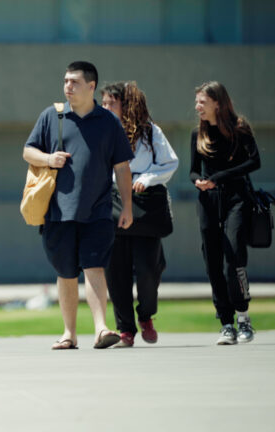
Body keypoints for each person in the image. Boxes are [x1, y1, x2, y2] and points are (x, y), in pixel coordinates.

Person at [23, 61, 134, 350]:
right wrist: (49, 159)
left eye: (74, 81)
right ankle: (69, 334)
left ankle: (101, 329)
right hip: (57, 211)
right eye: (65, 81)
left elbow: (122, 168)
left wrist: (128, 207)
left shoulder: (109, 121)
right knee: (66, 271)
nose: (68, 86)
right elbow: (28, 151)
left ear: (91, 86)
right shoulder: (52, 116)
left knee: (94, 266)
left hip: (98, 209)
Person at [101, 82, 179, 347]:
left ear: (126, 104)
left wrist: (148, 178)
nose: (105, 107)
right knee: (116, 271)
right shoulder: (101, 131)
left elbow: (170, 162)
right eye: (104, 103)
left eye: (111, 103)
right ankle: (126, 330)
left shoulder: (150, 131)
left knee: (148, 269)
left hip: (144, 206)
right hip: (110, 204)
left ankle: (145, 315)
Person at [190, 81, 260, 345]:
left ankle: (243, 318)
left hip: (236, 199)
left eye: (202, 102)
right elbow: (193, 170)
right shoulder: (197, 134)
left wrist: (218, 177)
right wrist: (198, 181)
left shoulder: (240, 129)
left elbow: (255, 161)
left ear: (217, 103)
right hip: (208, 200)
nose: (197, 106)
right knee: (212, 261)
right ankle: (226, 323)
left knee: (234, 257)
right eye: (196, 102)